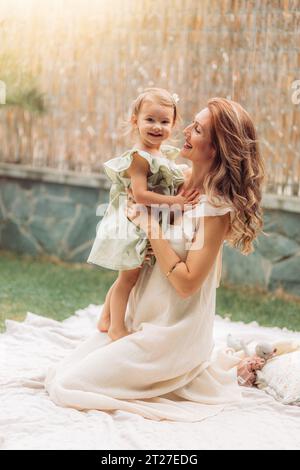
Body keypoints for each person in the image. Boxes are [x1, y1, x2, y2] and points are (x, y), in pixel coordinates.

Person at [44, 97, 265, 423]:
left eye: (198, 129)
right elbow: (130, 204)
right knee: (66, 372)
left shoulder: (216, 208)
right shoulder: (174, 179)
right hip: (142, 317)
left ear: (215, 148)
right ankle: (206, 365)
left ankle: (192, 369)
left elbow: (188, 283)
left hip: (173, 330)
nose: (185, 130)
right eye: (192, 123)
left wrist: (150, 227)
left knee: (69, 386)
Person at [87, 87, 200, 341]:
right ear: (135, 120)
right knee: (128, 279)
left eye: (164, 121)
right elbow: (140, 195)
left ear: (173, 124)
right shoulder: (139, 158)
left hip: (146, 222)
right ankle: (116, 327)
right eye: (150, 119)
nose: (157, 127)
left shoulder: (161, 154)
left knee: (128, 276)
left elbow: (169, 175)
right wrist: (178, 202)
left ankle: (105, 318)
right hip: (134, 223)